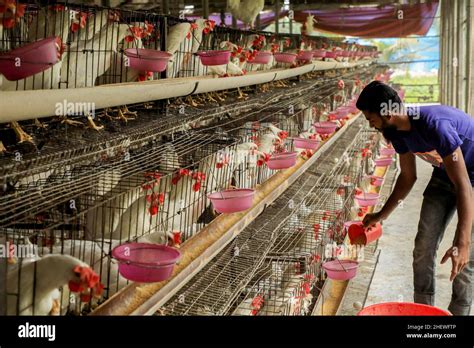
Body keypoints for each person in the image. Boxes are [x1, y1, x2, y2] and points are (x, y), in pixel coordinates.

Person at [356, 80, 473, 315]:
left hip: (470, 178)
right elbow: (408, 177)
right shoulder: (396, 132)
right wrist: (381, 215)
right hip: (444, 174)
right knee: (423, 245)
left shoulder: (434, 126)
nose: (372, 126)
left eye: (372, 119)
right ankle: (423, 312)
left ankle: (459, 314)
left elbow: (463, 186)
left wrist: (462, 241)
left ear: (386, 112)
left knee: (465, 257)